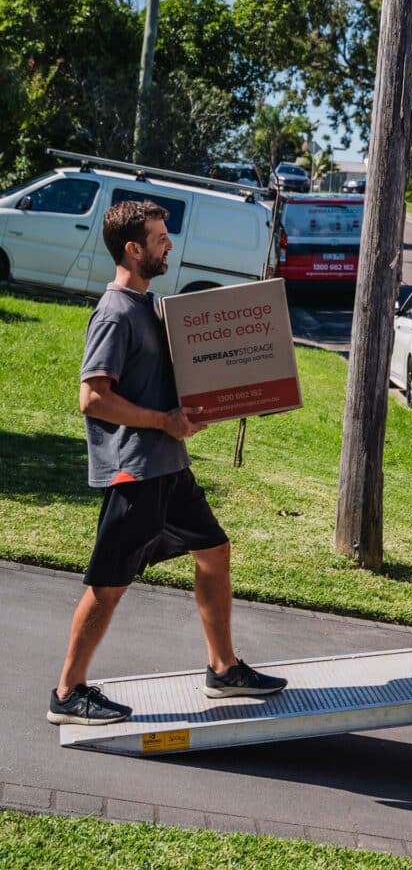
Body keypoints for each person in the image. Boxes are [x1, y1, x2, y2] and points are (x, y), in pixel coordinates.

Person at [48, 200, 286, 726]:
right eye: (159, 238)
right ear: (133, 249)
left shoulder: (151, 307)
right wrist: (163, 421)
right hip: (136, 470)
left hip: (168, 465)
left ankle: (223, 668)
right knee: (109, 584)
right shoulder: (114, 313)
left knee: (214, 550)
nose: (169, 244)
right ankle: (68, 693)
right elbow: (93, 399)